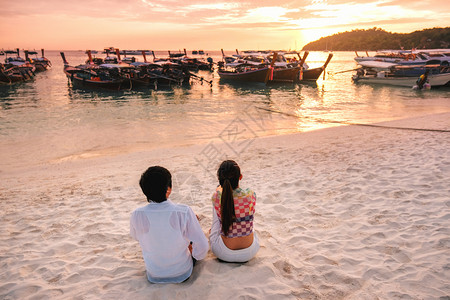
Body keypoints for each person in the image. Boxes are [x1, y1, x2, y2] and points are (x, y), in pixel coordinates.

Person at [130, 166, 209, 283]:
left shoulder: (136, 214)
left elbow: (136, 237)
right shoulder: (183, 211)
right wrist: (193, 252)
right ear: (169, 189)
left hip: (154, 274)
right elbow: (203, 248)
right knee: (191, 233)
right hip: (182, 273)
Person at [209, 160, 260, 262]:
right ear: (240, 177)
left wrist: (218, 191)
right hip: (250, 251)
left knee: (217, 216)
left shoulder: (216, 196)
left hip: (224, 253)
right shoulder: (251, 194)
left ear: (220, 179)